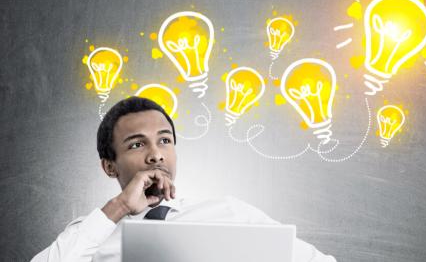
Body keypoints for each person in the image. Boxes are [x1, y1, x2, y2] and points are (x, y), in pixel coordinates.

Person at [31, 96, 336, 262]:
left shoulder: (231, 214)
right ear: (110, 167)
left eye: (164, 141)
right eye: (137, 144)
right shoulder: (91, 233)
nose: (156, 155)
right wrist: (120, 207)